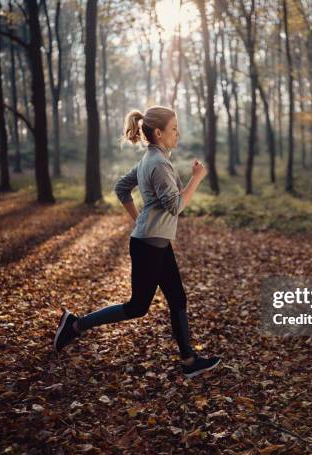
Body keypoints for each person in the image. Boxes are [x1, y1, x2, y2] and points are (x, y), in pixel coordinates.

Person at [53, 105, 221, 378]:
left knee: (178, 298)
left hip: (156, 243)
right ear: (158, 132)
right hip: (148, 247)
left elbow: (122, 187)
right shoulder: (156, 163)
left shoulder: (152, 159)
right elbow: (176, 206)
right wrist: (196, 179)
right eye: (174, 129)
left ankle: (189, 360)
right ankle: (76, 325)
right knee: (137, 307)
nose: (177, 134)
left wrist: (139, 219)